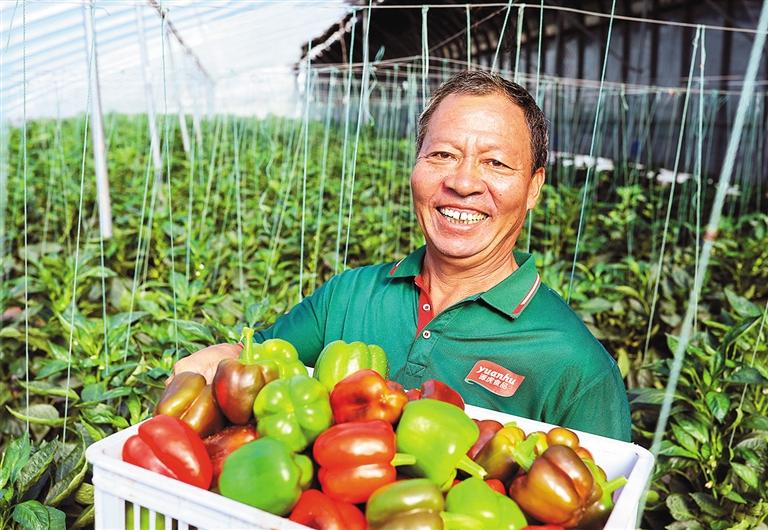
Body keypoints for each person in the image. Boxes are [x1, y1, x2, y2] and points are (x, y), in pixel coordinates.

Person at [172, 70, 632, 441]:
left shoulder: (575, 366)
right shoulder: (347, 296)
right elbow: (255, 362)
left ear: (533, 187)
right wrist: (222, 358)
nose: (463, 182)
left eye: (495, 163)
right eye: (442, 155)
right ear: (415, 165)